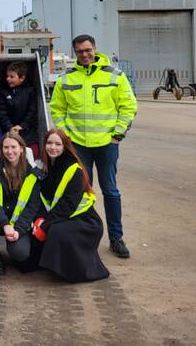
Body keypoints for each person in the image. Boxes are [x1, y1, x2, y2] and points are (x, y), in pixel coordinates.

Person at [50, 34, 137, 258]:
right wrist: (66, 136)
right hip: (78, 145)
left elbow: (128, 106)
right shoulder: (66, 79)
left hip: (107, 144)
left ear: (95, 49)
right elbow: (57, 109)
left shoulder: (115, 76)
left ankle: (116, 238)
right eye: (80, 52)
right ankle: (82, 239)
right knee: (80, 192)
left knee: (110, 191)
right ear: (74, 53)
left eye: (88, 50)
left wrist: (117, 134)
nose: (85, 55)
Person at [31, 129, 109, 282]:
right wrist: (39, 219)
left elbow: (67, 205)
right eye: (49, 143)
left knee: (57, 231)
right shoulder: (43, 166)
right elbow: (39, 198)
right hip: (60, 216)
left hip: (84, 221)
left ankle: (74, 273)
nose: (53, 147)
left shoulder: (74, 169)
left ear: (65, 146)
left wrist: (45, 225)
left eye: (58, 144)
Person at [0, 132, 42, 275]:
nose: (10, 151)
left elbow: (32, 207)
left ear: (22, 148)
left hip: (18, 222)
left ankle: (16, 244)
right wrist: (5, 224)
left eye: (13, 147)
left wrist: (18, 229)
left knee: (20, 254)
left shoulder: (33, 173)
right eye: (6, 147)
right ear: (1, 149)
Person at [0, 61, 39, 158]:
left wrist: (22, 125)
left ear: (22, 78)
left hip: (29, 135)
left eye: (12, 77)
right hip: (9, 133)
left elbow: (32, 111)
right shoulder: (3, 92)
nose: (8, 79)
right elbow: (2, 113)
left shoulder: (31, 91)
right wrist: (10, 127)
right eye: (7, 76)